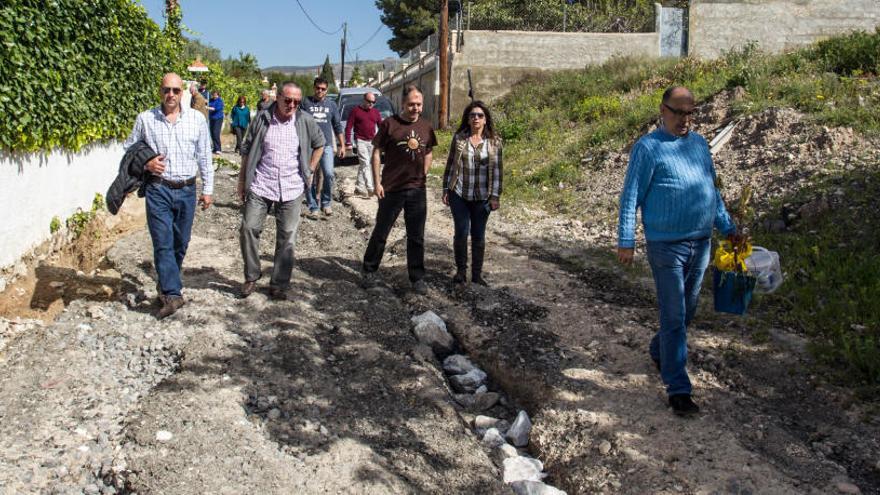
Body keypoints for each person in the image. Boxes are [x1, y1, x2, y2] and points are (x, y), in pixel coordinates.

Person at [617, 86, 737, 417]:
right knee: (673, 315)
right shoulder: (648, 148)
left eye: (690, 113)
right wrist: (626, 240)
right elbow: (630, 197)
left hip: (701, 243)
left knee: (687, 312)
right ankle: (679, 389)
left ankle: (659, 349)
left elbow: (711, 191)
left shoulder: (699, 145)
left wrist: (729, 228)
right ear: (663, 110)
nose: (685, 119)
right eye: (678, 112)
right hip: (665, 246)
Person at [123, 73, 213, 319]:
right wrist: (147, 163)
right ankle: (173, 294)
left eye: (175, 90)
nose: (170, 95)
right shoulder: (146, 119)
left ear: (182, 92)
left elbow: (205, 155)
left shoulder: (197, 120)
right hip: (158, 189)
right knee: (162, 242)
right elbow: (129, 148)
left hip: (186, 189)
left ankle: (165, 282)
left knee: (180, 242)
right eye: (166, 90)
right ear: (160, 91)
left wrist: (207, 190)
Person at [237, 82, 325, 300]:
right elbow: (247, 149)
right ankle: (251, 276)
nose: (292, 105)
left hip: (292, 186)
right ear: (277, 98)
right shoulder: (262, 118)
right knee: (248, 228)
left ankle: (278, 284)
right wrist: (241, 180)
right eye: (288, 100)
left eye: (296, 101)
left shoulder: (304, 120)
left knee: (287, 237)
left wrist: (311, 169)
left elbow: (320, 144)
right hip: (261, 184)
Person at [361, 85, 437, 295]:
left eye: (419, 104)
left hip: (416, 190)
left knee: (416, 236)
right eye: (411, 104)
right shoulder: (389, 124)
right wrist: (377, 183)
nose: (415, 108)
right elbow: (376, 153)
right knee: (381, 232)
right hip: (391, 189)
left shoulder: (426, 126)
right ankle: (368, 271)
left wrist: (424, 172)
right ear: (403, 104)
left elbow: (429, 152)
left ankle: (417, 278)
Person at [441, 101, 502, 286]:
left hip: (482, 197)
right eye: (472, 115)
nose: (476, 118)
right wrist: (446, 188)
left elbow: (498, 170)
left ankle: (476, 275)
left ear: (485, 120)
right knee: (461, 232)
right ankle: (461, 272)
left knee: (478, 236)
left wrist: (495, 195)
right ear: (467, 119)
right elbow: (450, 164)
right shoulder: (459, 139)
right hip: (459, 193)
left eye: (480, 115)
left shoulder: (494, 142)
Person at [301, 77, 345, 219]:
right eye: (318, 88)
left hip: (326, 145)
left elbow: (338, 126)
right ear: (314, 87)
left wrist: (342, 145)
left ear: (326, 90)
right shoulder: (305, 102)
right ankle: (313, 206)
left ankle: (326, 203)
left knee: (329, 174)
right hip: (308, 146)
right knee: (308, 176)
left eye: (323, 89)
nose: (320, 91)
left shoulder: (331, 105)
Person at [345, 92, 383, 198]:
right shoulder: (355, 111)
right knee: (366, 163)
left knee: (365, 164)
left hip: (372, 141)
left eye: (373, 102)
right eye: (369, 101)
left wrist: (384, 140)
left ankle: (358, 187)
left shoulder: (375, 112)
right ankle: (370, 188)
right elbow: (348, 127)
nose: (371, 104)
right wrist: (348, 142)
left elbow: (381, 127)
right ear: (364, 100)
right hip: (360, 140)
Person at [208, 90, 224, 154]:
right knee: (212, 133)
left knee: (216, 133)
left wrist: (207, 107)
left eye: (215, 94)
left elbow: (215, 109)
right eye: (213, 94)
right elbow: (207, 103)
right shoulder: (211, 100)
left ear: (218, 94)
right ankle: (215, 148)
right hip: (212, 118)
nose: (214, 95)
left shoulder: (220, 101)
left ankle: (218, 149)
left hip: (218, 118)